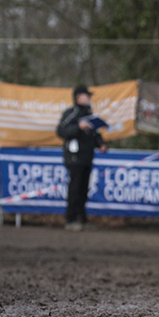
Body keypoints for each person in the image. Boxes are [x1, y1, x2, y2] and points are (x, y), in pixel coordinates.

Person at [56, 85, 107, 231]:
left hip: (87, 157)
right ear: (78, 97)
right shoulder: (71, 113)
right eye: (87, 95)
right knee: (75, 188)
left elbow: (95, 133)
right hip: (74, 157)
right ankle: (70, 219)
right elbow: (61, 131)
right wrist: (79, 127)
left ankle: (82, 219)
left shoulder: (89, 114)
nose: (89, 98)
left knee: (84, 189)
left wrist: (101, 144)